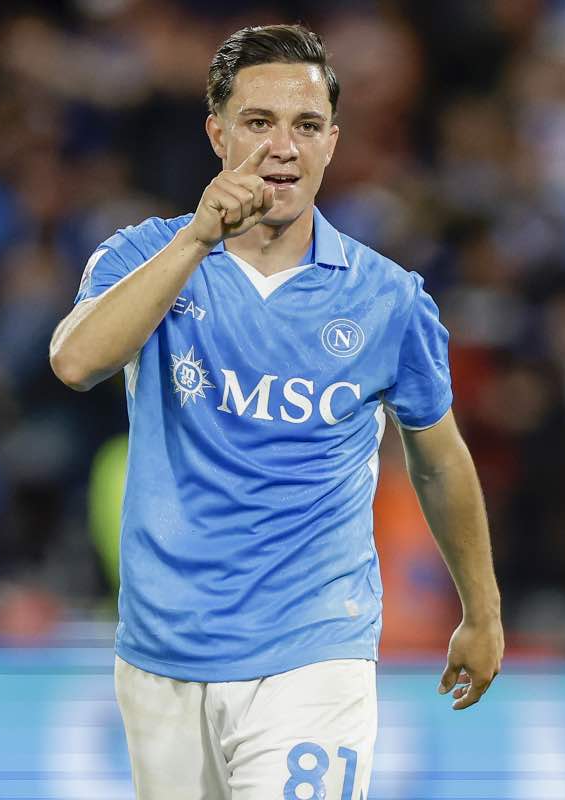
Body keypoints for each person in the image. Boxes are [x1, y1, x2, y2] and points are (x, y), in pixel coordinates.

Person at [49, 23, 504, 800]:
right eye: (259, 123)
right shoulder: (145, 256)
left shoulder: (388, 299)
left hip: (314, 650)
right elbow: (75, 360)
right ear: (217, 135)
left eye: (306, 126)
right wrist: (197, 240)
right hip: (163, 652)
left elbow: (438, 456)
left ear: (332, 142)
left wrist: (482, 610)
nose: (283, 148)